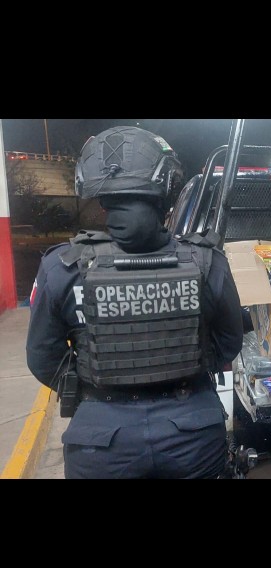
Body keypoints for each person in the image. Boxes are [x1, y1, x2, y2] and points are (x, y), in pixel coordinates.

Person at [26, 126, 244, 479]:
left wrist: (95, 381)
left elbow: (42, 356)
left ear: (98, 195)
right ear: (166, 188)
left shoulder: (61, 267)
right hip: (192, 430)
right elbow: (229, 342)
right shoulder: (207, 262)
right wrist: (187, 363)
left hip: (100, 439)